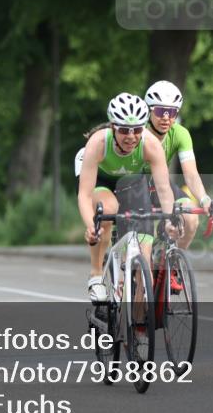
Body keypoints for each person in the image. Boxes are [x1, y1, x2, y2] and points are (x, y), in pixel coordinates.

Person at [76, 93, 180, 303]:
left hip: (130, 184)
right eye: (124, 130)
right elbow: (84, 195)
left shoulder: (150, 144)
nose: (131, 136)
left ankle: (139, 324)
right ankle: (96, 275)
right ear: (113, 127)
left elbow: (163, 188)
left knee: (143, 239)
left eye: (137, 130)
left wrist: (168, 219)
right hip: (102, 182)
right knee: (108, 210)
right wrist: (91, 227)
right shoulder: (98, 142)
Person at [143, 80, 213, 255]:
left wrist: (204, 199)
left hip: (161, 184)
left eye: (172, 112)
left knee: (190, 219)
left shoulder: (181, 134)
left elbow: (190, 174)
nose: (166, 117)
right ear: (149, 111)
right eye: (160, 111)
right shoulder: (139, 132)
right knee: (144, 233)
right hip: (136, 184)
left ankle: (173, 262)